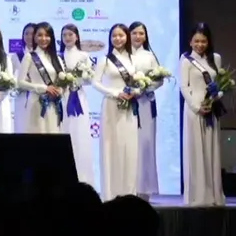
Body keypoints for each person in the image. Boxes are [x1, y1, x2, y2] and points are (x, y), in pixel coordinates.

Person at [92, 24, 141, 200]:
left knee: (129, 148)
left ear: (127, 37)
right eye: (114, 36)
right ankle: (110, 194)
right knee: (111, 147)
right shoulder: (104, 60)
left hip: (129, 107)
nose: (118, 39)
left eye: (121, 35)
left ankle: (129, 193)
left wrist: (135, 92)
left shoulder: (134, 60)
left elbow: (141, 83)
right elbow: (95, 82)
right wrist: (114, 93)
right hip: (111, 106)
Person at [180, 23, 225, 207]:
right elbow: (184, 87)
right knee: (196, 150)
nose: (200, 44)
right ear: (190, 42)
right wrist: (197, 106)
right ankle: (197, 195)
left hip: (211, 108)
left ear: (208, 42)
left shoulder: (216, 58)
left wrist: (216, 97)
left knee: (211, 150)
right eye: (196, 41)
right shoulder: (186, 60)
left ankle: (213, 194)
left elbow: (220, 85)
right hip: (194, 110)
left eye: (203, 41)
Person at [129, 21, 164, 199]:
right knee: (129, 144)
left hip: (145, 104)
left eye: (141, 33)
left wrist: (145, 88)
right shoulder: (123, 55)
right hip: (127, 104)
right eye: (134, 33)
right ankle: (128, 186)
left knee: (145, 145)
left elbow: (159, 80)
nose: (137, 36)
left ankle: (144, 190)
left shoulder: (150, 56)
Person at [60, 23, 95, 188]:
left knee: (80, 135)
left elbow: (90, 79)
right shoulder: (58, 56)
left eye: (70, 34)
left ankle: (82, 179)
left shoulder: (84, 56)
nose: (67, 38)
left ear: (77, 37)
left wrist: (77, 81)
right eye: (64, 35)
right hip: (62, 98)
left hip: (79, 98)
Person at [16, 22, 64, 134]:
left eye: (47, 35)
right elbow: (20, 82)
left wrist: (59, 90)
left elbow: (62, 81)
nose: (43, 39)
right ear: (35, 37)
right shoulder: (29, 56)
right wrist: (44, 88)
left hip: (54, 104)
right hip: (36, 103)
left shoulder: (56, 58)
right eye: (40, 35)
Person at [12, 23, 36, 133]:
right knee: (22, 127)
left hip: (39, 97)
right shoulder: (16, 56)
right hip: (22, 98)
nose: (29, 36)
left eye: (32, 33)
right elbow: (11, 77)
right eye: (26, 33)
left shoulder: (44, 55)